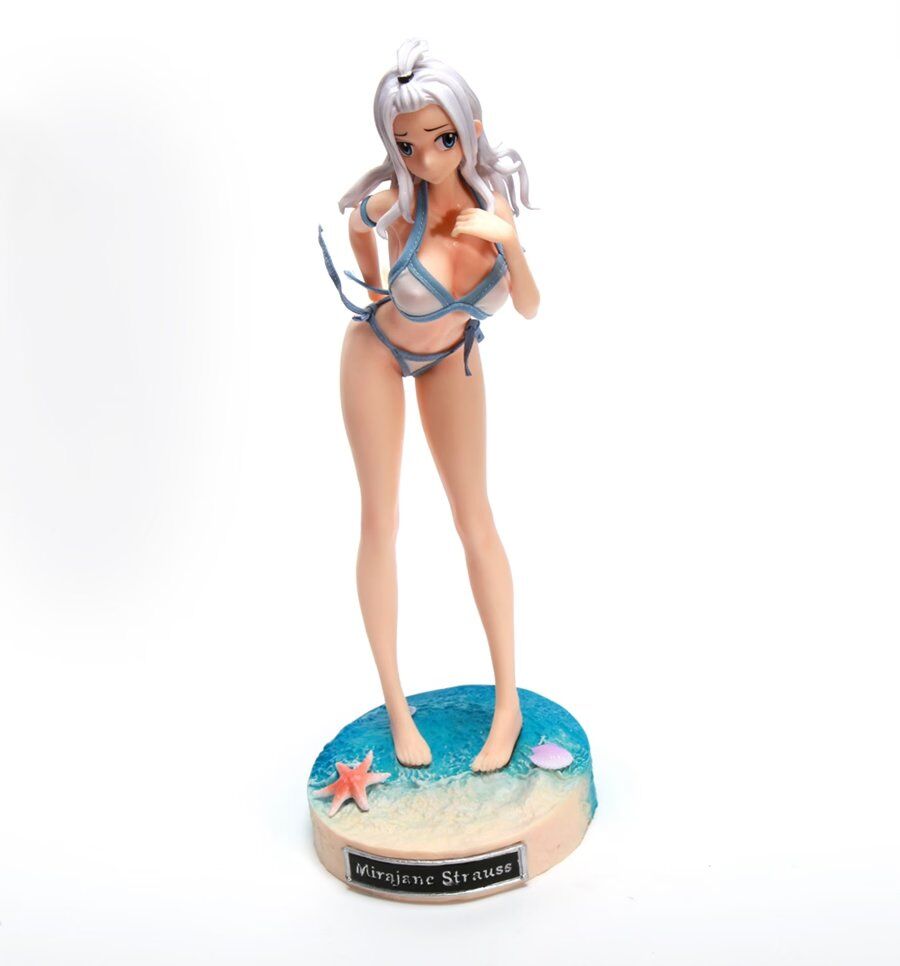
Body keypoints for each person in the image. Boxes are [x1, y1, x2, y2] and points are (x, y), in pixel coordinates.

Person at [318, 38, 540, 771]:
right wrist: (375, 284)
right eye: (407, 146)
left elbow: (529, 307)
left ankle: (507, 705)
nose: (425, 158)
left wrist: (512, 246)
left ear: (470, 131)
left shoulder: (493, 211)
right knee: (381, 519)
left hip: (455, 356)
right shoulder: (399, 201)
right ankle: (395, 703)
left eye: (441, 139)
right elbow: (357, 221)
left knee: (476, 518)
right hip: (379, 353)